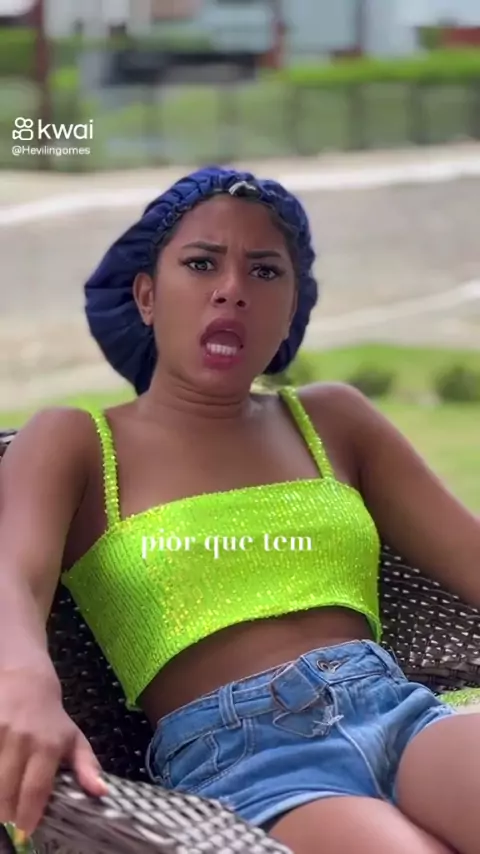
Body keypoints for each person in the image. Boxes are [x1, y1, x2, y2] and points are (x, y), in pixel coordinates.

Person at [0, 166, 479, 854]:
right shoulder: (74, 441)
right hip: (247, 760)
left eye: (264, 271)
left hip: (399, 710)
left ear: (291, 309)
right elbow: (12, 579)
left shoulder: (334, 421)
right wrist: (21, 680)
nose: (232, 289)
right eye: (201, 264)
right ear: (146, 295)